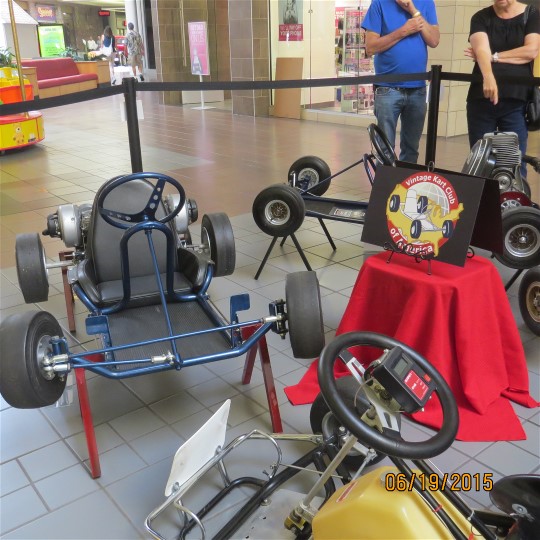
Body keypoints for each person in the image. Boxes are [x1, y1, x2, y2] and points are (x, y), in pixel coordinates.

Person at [465, 0, 539, 177]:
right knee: (480, 162)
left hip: (516, 101)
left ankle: (514, 196)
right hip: (481, 99)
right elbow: (481, 49)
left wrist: (494, 56)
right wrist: (488, 76)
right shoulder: (480, 17)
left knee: (514, 164)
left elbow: (530, 51)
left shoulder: (532, 14)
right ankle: (483, 195)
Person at [362, 0, 440, 164]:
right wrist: (404, 31)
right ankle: (385, 181)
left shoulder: (426, 3)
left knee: (411, 148)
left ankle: (406, 180)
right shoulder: (379, 4)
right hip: (387, 88)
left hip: (417, 89)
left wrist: (412, 9)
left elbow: (434, 41)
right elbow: (370, 47)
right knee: (385, 149)